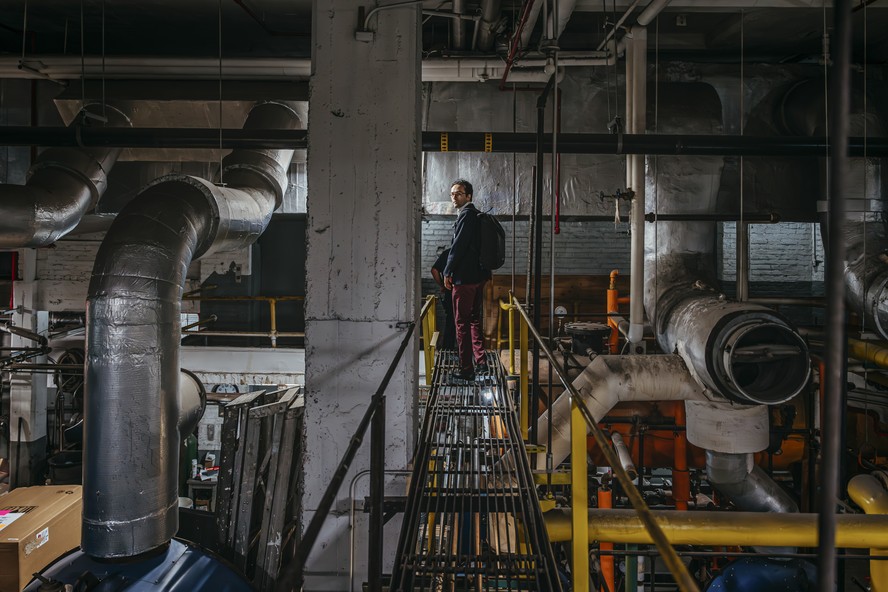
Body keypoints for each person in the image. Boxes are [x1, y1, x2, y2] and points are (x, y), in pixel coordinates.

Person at [443, 179, 491, 381]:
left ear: (469, 196)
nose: (454, 197)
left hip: (464, 280)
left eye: (459, 193)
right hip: (478, 278)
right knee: (472, 320)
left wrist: (447, 271)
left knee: (461, 323)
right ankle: (480, 362)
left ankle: (466, 369)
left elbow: (458, 247)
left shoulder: (467, 216)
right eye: (452, 193)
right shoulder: (475, 215)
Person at [430, 247, 457, 350]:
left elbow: (434, 270)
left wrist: (442, 285)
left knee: (451, 321)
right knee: (468, 322)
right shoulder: (473, 252)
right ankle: (467, 351)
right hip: (468, 293)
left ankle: (448, 349)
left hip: (451, 293)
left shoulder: (448, 253)